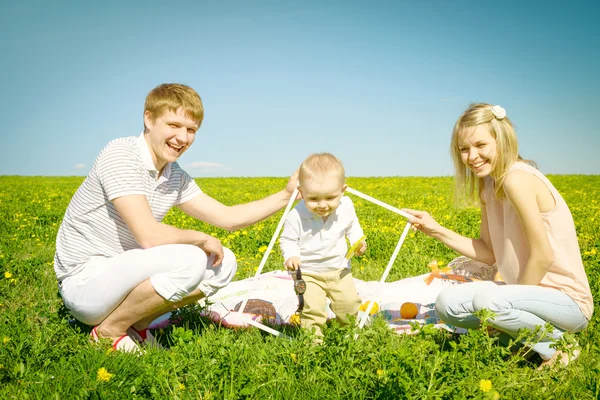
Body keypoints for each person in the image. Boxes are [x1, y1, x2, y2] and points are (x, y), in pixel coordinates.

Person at [54, 83, 298, 352]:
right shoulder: (121, 154)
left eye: (191, 130)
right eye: (173, 125)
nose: (182, 138)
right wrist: (201, 238)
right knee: (191, 259)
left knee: (224, 263)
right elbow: (148, 235)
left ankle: (136, 326)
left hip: (124, 280)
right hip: (86, 284)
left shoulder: (174, 174)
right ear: (149, 119)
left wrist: (286, 195)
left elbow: (228, 218)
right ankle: (109, 332)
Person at [404, 103, 593, 368]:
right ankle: (520, 334)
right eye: (464, 149)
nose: (472, 156)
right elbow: (489, 252)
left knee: (487, 302)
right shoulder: (488, 185)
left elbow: (543, 255)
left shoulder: (517, 179)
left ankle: (559, 345)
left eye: (481, 145)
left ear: (501, 141)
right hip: (526, 296)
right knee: (446, 304)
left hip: (567, 302)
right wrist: (435, 229)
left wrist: (506, 302)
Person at [280, 153, 367, 340]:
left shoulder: (347, 206)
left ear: (343, 190)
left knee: (349, 304)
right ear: (301, 192)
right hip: (308, 272)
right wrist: (291, 256)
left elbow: (352, 226)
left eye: (330, 197)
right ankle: (313, 343)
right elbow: (288, 240)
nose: (322, 205)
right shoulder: (296, 215)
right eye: (313, 199)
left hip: (340, 269)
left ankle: (349, 336)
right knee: (312, 308)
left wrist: (358, 242)